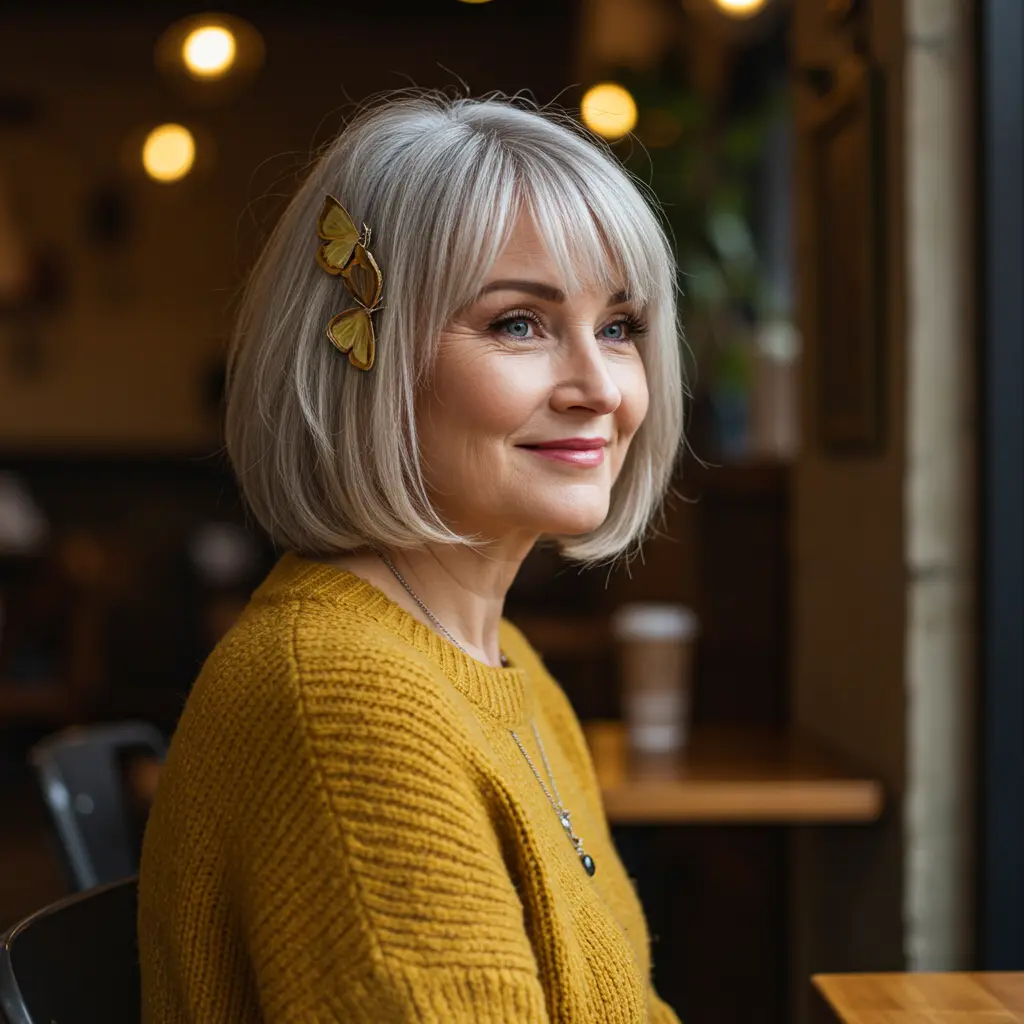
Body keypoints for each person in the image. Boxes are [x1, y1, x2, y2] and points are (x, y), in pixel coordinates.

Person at [138, 91, 684, 1023]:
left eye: (619, 327)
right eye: (519, 322)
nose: (599, 387)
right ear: (365, 356)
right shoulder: (347, 702)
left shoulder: (512, 672)